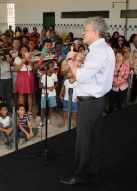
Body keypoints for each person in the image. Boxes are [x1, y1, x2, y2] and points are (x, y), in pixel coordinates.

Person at [60, 16, 115, 185]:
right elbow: (94, 75)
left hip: (90, 103)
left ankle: (80, 176)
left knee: (83, 142)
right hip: (96, 101)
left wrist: (70, 59)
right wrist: (83, 61)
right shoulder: (104, 49)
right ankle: (93, 172)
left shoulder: (98, 51)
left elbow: (81, 77)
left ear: (96, 32)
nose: (83, 32)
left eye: (86, 30)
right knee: (94, 140)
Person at [39, 62, 58, 127]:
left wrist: (54, 87)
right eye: (52, 67)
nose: (53, 68)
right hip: (44, 94)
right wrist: (48, 88)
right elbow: (40, 85)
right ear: (47, 68)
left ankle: (48, 119)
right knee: (43, 108)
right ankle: (41, 121)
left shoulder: (54, 75)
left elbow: (57, 83)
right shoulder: (43, 75)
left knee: (51, 107)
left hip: (52, 94)